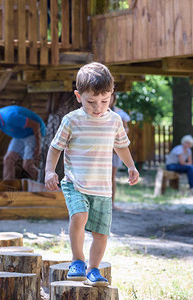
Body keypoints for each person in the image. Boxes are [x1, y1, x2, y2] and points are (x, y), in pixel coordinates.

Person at [44, 62, 139, 286]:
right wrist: (50, 171)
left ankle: (93, 269)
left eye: (104, 101)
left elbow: (121, 146)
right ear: (78, 96)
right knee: (79, 216)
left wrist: (131, 166)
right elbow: (55, 147)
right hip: (75, 183)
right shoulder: (71, 120)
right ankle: (77, 260)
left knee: (101, 233)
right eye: (91, 102)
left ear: (111, 96)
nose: (98, 107)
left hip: (103, 188)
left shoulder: (114, 121)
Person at [0, 106, 46, 180]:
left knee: (27, 166)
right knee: (8, 160)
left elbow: (36, 125)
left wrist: (38, 146)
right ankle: (8, 187)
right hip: (20, 135)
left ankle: (48, 184)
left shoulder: (9, 117)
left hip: (33, 133)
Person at [111, 93, 131, 210]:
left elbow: (126, 129)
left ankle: (112, 203)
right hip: (101, 150)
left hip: (114, 150)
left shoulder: (119, 113)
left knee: (112, 177)